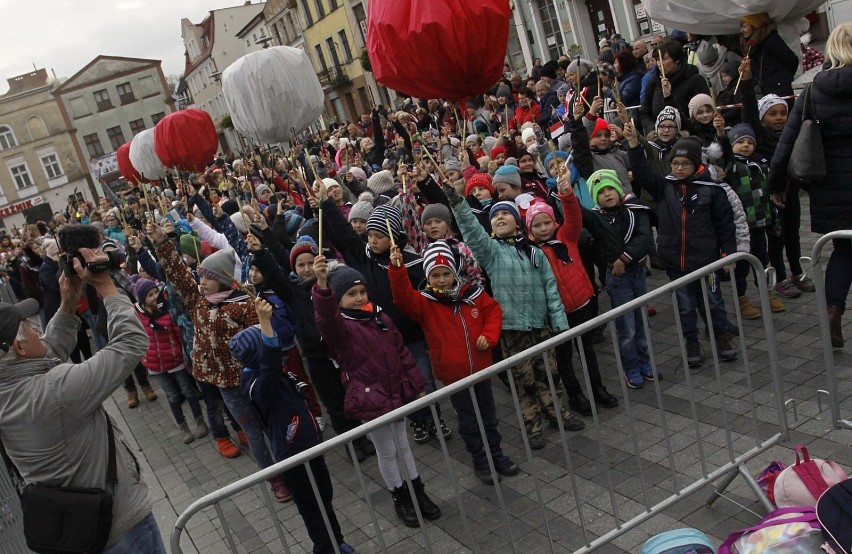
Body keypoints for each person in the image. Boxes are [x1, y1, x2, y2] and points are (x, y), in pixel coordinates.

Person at [0, 247, 166, 553]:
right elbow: (130, 344)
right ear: (20, 349)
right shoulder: (55, 391)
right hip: (122, 533)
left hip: (80, 531)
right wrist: (106, 286)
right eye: (29, 327)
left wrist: (67, 305)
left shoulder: (9, 391)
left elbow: (42, 358)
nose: (37, 329)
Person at [445, 184, 580, 450]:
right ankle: (533, 426)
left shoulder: (534, 252)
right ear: (492, 227)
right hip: (512, 328)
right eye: (495, 217)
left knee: (550, 374)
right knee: (524, 380)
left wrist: (559, 322)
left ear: (517, 223)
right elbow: (472, 231)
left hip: (540, 324)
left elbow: (550, 288)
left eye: (505, 214)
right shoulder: (491, 251)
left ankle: (559, 414)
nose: (499, 218)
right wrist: (458, 203)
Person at [312, 256, 441, 528]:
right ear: (338, 300)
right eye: (351, 294)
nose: (359, 298)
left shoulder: (380, 317)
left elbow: (402, 352)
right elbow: (326, 319)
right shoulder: (342, 328)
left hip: (395, 391)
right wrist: (322, 287)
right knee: (386, 450)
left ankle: (418, 490)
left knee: (403, 444)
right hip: (370, 398)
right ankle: (400, 496)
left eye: (362, 292)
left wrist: (417, 384)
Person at [388, 241, 518, 485]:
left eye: (446, 274)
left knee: (489, 417)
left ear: (454, 273)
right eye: (435, 275)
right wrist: (397, 270)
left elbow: (493, 312)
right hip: (454, 377)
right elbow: (403, 298)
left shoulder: (473, 294)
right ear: (428, 276)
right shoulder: (425, 303)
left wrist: (489, 336)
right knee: (469, 421)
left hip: (481, 370)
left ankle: (496, 454)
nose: (441, 279)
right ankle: (481, 460)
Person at [231, 299, 354, 554]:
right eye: (267, 339)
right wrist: (264, 323)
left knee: (324, 499)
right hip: (294, 456)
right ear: (261, 354)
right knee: (312, 507)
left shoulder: (264, 376)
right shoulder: (261, 385)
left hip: (309, 446)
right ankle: (325, 548)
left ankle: (336, 541)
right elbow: (271, 365)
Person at [768, 22, 852, 348]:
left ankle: (833, 310)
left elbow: (787, 143)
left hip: (831, 191)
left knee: (843, 252)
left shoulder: (815, 90)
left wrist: (777, 184)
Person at [625, 126, 738, 368]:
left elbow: (725, 224)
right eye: (675, 163)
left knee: (714, 300)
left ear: (696, 164)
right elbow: (643, 173)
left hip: (707, 261)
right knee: (685, 306)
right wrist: (634, 144)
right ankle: (691, 342)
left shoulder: (712, 190)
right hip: (676, 261)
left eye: (684, 164)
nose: (678, 168)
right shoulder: (665, 188)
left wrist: (728, 253)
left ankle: (721, 337)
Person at [526, 194, 619, 409]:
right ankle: (575, 394)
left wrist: (567, 196)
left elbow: (575, 217)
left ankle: (598, 388)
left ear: (554, 222)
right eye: (537, 225)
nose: (543, 228)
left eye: (547, 222)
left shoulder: (566, 237)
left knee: (587, 350)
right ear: (530, 229)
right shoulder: (531, 252)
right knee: (564, 356)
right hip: (557, 313)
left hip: (582, 304)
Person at [578, 170, 656, 388]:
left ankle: (646, 362)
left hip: (637, 273)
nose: (607, 194)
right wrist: (565, 192)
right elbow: (577, 213)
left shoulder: (634, 210)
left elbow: (644, 238)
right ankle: (631, 367)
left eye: (610, 188)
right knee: (627, 328)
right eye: (600, 192)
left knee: (642, 323)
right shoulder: (596, 217)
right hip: (617, 278)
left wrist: (624, 258)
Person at [132, 277, 208, 444]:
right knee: (172, 395)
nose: (154, 297)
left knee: (188, 390)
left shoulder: (167, 310)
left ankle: (199, 420)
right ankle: (183, 427)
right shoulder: (137, 315)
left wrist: (181, 353)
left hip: (174, 360)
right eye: (149, 295)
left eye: (155, 293)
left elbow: (176, 333)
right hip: (154, 362)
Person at [639, 40, 711, 137]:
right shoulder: (653, 83)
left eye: (664, 59)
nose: (660, 63)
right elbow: (645, 112)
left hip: (690, 136)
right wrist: (651, 129)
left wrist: (686, 132)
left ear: (676, 60)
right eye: (657, 59)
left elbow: (703, 114)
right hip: (660, 136)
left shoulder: (695, 80)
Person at [740, 13, 799, 97]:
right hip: (763, 91)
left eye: (744, 26)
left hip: (780, 91)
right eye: (741, 27)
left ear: (755, 25)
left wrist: (781, 79)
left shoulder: (771, 40)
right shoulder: (751, 45)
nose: (741, 30)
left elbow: (792, 60)